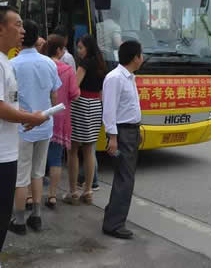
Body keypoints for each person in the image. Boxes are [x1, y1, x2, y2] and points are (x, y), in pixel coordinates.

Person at [0, 6, 48, 268]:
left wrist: (24, 117)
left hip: (4, 150)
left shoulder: (2, 59)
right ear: (0, 28)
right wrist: (30, 118)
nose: (23, 30)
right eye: (18, 24)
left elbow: (7, 105)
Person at [8, 20, 61, 235]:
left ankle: (19, 220)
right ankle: (36, 216)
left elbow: (9, 100)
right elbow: (54, 95)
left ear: (20, 37)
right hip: (45, 124)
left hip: (23, 126)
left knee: (21, 175)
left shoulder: (13, 64)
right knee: (38, 173)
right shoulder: (49, 63)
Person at [101, 40, 144, 239]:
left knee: (126, 176)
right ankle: (114, 224)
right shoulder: (115, 78)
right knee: (125, 178)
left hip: (131, 131)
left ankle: (113, 214)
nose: (142, 59)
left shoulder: (129, 77)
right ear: (135, 57)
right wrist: (113, 138)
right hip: (122, 133)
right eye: (141, 55)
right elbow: (109, 110)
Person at [64, 34, 106, 206]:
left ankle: (73, 192)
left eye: (81, 47)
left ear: (88, 47)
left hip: (81, 105)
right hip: (96, 105)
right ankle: (88, 191)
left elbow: (74, 87)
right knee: (89, 150)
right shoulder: (101, 64)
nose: (79, 51)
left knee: (73, 149)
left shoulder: (84, 64)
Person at [45, 34, 80, 209]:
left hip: (38, 115)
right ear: (58, 50)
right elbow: (75, 93)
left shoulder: (42, 65)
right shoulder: (67, 69)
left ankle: (29, 195)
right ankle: (52, 195)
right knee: (56, 158)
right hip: (59, 116)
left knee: (34, 158)